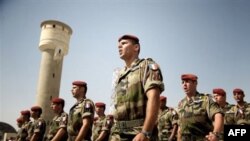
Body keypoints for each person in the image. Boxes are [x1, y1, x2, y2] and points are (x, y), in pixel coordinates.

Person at [109, 34, 165, 141]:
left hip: (138, 132)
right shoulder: (120, 74)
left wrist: (146, 132)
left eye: (124, 43)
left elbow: (153, 97)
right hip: (117, 134)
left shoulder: (146, 66)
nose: (119, 47)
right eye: (118, 45)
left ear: (136, 47)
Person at [177, 74, 224, 141]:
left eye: (187, 81)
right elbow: (180, 126)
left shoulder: (206, 99)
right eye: (182, 82)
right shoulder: (181, 103)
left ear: (195, 83)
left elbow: (218, 116)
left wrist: (215, 134)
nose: (184, 84)